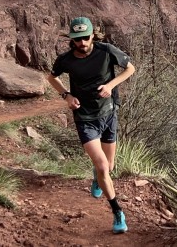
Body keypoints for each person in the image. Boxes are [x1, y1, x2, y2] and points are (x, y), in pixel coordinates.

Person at [45, 17, 136, 235]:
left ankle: (97, 178)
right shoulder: (66, 59)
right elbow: (51, 77)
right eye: (77, 39)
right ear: (72, 39)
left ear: (92, 35)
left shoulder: (106, 51)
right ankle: (117, 212)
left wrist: (110, 85)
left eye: (86, 38)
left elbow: (130, 69)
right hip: (85, 117)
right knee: (103, 166)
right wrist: (66, 95)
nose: (82, 43)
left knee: (109, 166)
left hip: (108, 114)